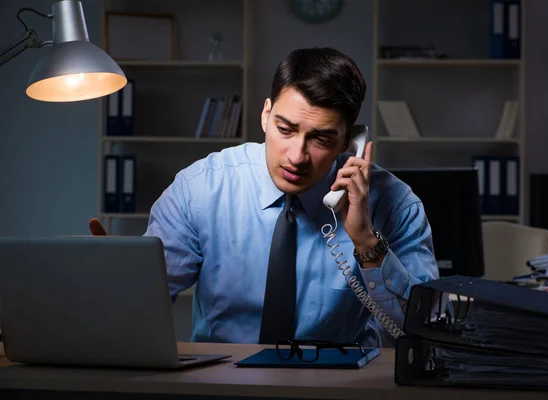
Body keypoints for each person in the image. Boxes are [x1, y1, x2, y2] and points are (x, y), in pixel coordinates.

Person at [91, 47, 439, 348]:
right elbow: (140, 307)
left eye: (321, 140)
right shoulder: (200, 189)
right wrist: (120, 285)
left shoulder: (395, 204)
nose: (296, 156)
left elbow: (429, 332)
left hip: (336, 387)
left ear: (349, 142)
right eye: (285, 130)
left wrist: (366, 243)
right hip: (220, 385)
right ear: (265, 114)